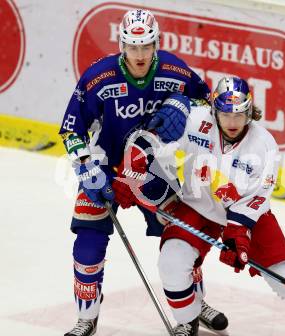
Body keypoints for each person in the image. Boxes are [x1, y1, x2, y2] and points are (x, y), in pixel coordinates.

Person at [122, 77, 285, 335]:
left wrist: (238, 233)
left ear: (249, 112)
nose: (232, 122)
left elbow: (259, 195)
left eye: (239, 115)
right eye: (226, 114)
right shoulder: (196, 122)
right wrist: (136, 174)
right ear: (214, 110)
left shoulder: (263, 143)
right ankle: (188, 320)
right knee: (171, 262)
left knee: (284, 275)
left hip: (249, 216)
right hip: (199, 206)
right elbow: (154, 144)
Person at [59, 9, 227, 336]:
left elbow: (209, 107)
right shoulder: (99, 77)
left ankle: (194, 306)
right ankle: (86, 316)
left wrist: (184, 106)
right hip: (106, 170)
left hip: (156, 172)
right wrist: (86, 168)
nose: (140, 54)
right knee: (88, 246)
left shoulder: (175, 70)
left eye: (146, 46)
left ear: (156, 44)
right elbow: (70, 129)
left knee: (181, 240)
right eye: (133, 47)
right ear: (122, 44)